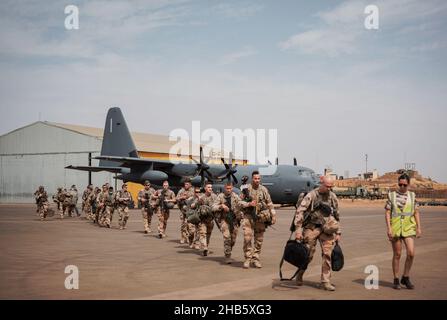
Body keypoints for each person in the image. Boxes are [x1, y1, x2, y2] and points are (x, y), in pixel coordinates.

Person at [294, 175, 341, 291]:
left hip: (327, 229)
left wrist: (338, 232)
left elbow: (336, 214)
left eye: (331, 187)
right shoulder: (312, 195)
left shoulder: (332, 197)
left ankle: (325, 281)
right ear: (322, 184)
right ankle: (300, 273)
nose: (329, 189)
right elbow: (300, 211)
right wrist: (298, 230)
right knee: (307, 255)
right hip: (311, 228)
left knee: (327, 255)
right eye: (327, 186)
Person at [385, 173, 422, 290]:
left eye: (404, 185)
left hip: (408, 228)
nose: (402, 187)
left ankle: (405, 277)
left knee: (411, 253)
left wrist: (419, 227)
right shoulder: (392, 195)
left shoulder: (412, 196)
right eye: (400, 184)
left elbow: (416, 212)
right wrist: (389, 228)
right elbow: (387, 213)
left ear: (408, 185)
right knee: (397, 254)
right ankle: (396, 279)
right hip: (396, 228)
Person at [240, 171, 277, 269]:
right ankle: (248, 258)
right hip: (248, 216)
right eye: (255, 178)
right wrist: (248, 204)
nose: (257, 180)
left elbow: (269, 203)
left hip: (259, 217)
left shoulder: (263, 189)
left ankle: (255, 258)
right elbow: (240, 202)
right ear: (252, 179)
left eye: (258, 179)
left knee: (259, 239)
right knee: (247, 238)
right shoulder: (245, 189)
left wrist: (273, 215)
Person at [213, 182, 248, 264]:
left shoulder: (235, 196)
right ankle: (227, 256)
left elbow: (240, 202)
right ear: (225, 188)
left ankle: (228, 249)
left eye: (230, 188)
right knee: (227, 237)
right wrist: (221, 206)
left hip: (234, 220)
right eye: (227, 189)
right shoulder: (220, 196)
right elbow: (213, 207)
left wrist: (247, 204)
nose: (229, 190)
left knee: (233, 240)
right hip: (224, 220)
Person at [192, 182, 217, 256]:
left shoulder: (215, 197)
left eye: (211, 187)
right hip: (202, 220)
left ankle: (206, 247)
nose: (210, 189)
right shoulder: (201, 197)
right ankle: (205, 247)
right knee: (202, 234)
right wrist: (198, 202)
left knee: (208, 234)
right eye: (208, 187)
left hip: (211, 220)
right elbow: (193, 205)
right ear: (205, 188)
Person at [176, 178, 195, 244]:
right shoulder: (181, 190)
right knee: (183, 225)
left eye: (187, 184)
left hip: (190, 211)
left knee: (190, 225)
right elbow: (176, 198)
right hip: (183, 211)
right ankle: (183, 238)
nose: (186, 185)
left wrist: (187, 198)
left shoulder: (193, 191)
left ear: (190, 184)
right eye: (185, 184)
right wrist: (181, 198)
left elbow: (195, 198)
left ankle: (190, 238)